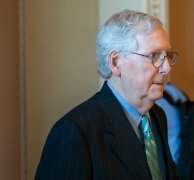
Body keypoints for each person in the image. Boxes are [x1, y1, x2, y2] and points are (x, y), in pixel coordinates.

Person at [35, 9, 179, 180]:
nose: (167, 68)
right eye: (153, 56)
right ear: (115, 62)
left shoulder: (157, 116)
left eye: (168, 55)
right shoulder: (75, 131)